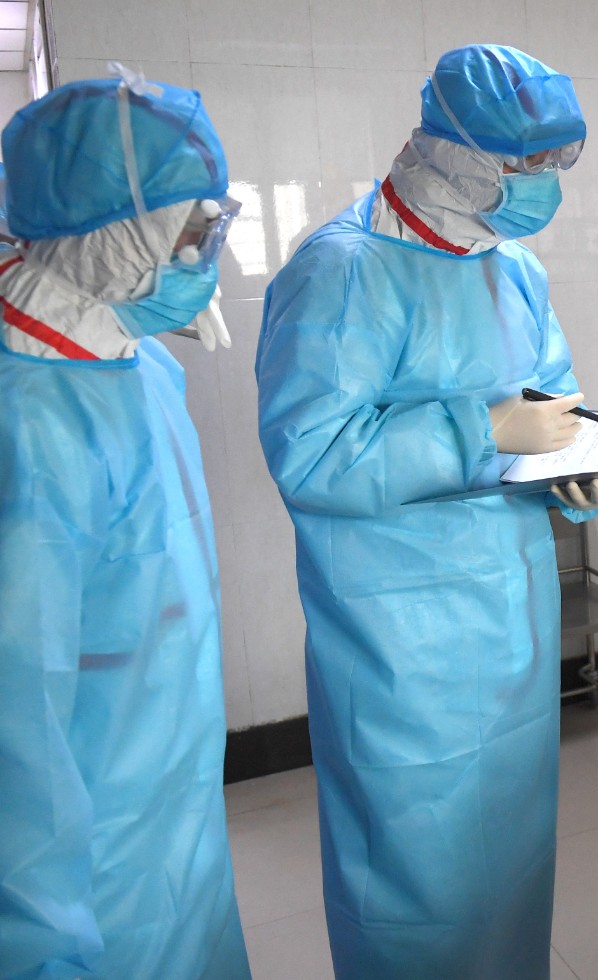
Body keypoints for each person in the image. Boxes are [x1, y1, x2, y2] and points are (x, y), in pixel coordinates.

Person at [255, 45, 598, 979]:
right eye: (525, 161)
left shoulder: (513, 269)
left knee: (509, 867)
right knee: (413, 883)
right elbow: (311, 455)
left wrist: (579, 466)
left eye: (556, 160)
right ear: (453, 152)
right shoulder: (342, 269)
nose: (543, 180)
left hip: (513, 627)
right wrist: (479, 426)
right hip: (398, 647)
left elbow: (554, 403)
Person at [0, 70, 250, 977]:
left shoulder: (136, 362)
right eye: (188, 233)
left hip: (172, 809)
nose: (204, 254)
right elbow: (16, 735)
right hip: (90, 876)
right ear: (109, 235)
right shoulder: (26, 425)